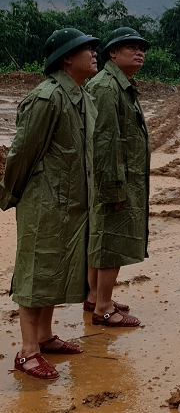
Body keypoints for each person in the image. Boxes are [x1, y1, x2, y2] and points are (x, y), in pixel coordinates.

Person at [0, 29, 99, 380]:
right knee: (35, 269)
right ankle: (27, 352)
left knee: (55, 268)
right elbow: (22, 152)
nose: (93, 53)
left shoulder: (82, 98)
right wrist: (9, 194)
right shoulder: (46, 98)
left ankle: (43, 336)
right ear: (65, 58)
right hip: (44, 201)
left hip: (71, 201)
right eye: (85, 48)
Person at [83, 27, 151, 327]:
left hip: (122, 177)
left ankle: (96, 297)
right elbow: (105, 142)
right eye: (131, 47)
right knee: (112, 240)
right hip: (114, 180)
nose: (140, 52)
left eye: (142, 48)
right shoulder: (107, 88)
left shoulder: (120, 85)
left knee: (103, 237)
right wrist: (114, 188)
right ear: (112, 53)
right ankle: (104, 308)